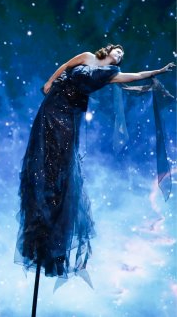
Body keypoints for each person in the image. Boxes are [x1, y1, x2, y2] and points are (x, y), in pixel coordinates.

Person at [15, 44, 174, 281]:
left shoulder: (111, 74)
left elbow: (137, 75)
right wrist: (49, 82)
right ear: (108, 51)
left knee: (62, 158)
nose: (120, 55)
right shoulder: (88, 57)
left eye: (122, 55)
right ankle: (40, 207)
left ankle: (52, 211)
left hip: (70, 112)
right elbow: (66, 66)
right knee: (44, 149)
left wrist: (158, 71)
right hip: (55, 102)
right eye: (118, 51)